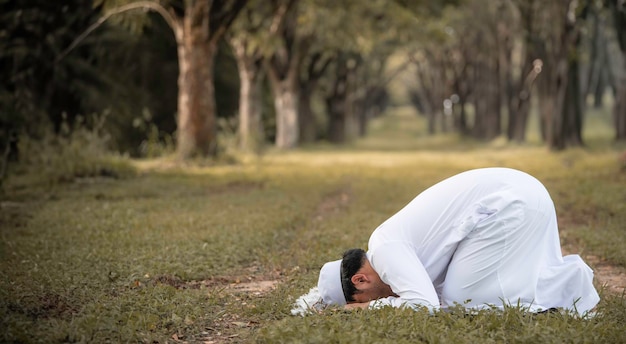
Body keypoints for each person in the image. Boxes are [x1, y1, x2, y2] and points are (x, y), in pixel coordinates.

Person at [293, 167, 599, 316]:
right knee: (462, 292)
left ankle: (564, 292)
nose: (379, 301)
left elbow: (425, 306)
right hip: (526, 193)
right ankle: (568, 286)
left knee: (457, 301)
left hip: (512, 203)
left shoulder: (384, 250)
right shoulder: (388, 243)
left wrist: (361, 311)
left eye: (366, 300)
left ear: (360, 280)